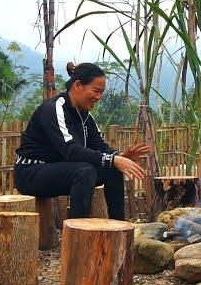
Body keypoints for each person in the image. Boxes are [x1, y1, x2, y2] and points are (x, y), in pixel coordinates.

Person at [13, 62, 149, 219]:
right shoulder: (54, 108)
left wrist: (120, 156)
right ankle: (79, 231)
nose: (99, 97)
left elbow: (99, 145)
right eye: (96, 91)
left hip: (61, 170)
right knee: (85, 171)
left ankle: (119, 226)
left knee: (112, 169)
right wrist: (112, 159)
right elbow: (70, 150)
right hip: (30, 173)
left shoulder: (84, 115)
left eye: (101, 92)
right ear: (78, 85)